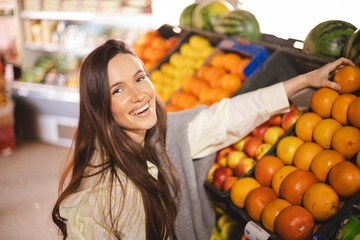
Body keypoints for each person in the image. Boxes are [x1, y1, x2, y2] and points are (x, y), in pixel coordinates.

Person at [52, 39, 354, 240]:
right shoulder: (107, 192)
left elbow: (224, 118)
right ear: (99, 105)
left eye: (140, 78)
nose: (138, 95)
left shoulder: (158, 139)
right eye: (118, 90)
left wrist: (304, 80)